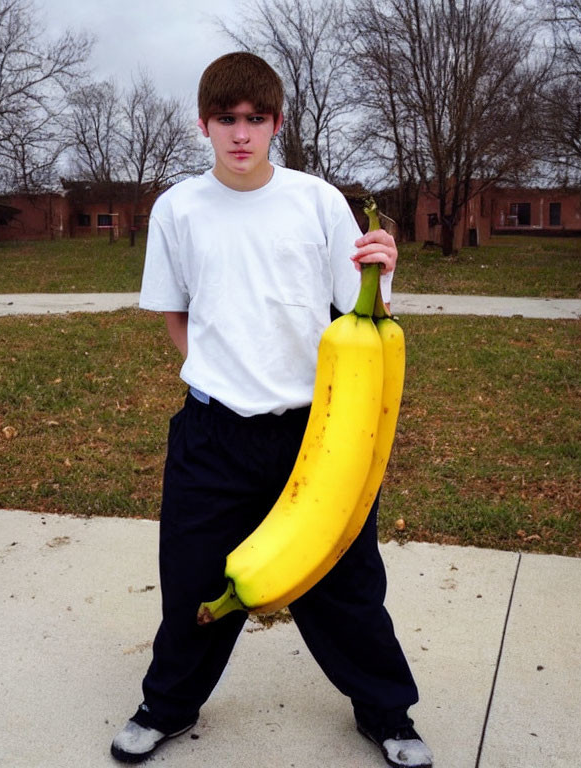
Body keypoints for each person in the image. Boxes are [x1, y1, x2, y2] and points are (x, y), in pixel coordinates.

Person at [110, 52, 433, 768]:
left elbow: (361, 313)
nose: (241, 134)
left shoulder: (316, 201)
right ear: (204, 124)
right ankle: (166, 707)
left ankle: (388, 714)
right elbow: (177, 316)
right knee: (193, 583)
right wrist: (222, 375)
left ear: (277, 123)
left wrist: (386, 272)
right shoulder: (178, 209)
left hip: (312, 433)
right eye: (227, 119)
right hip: (211, 434)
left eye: (256, 119)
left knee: (346, 588)